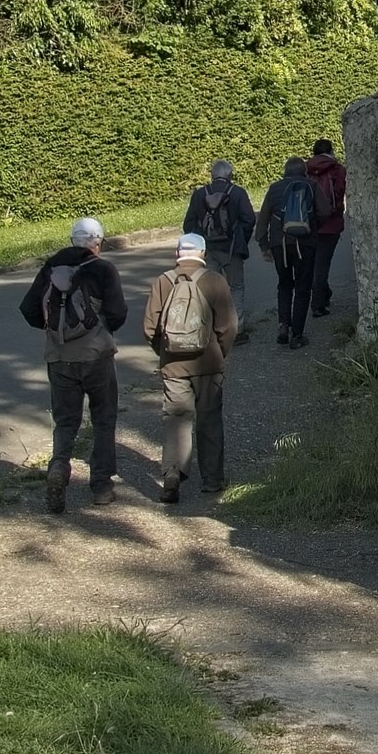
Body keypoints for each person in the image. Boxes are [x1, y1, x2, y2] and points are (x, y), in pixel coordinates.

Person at [21, 216, 128, 513]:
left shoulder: (50, 268)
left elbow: (29, 309)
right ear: (97, 243)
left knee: (66, 421)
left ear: (72, 240)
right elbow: (118, 314)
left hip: (59, 358)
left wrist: (55, 332)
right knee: (103, 419)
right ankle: (102, 486)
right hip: (97, 357)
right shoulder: (103, 269)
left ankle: (58, 467)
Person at [138, 230, 240, 505]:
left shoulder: (164, 281)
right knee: (209, 420)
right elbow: (229, 326)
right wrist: (219, 353)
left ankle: (172, 473)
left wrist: (165, 353)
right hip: (209, 364)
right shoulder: (215, 280)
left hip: (173, 367)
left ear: (177, 254)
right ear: (203, 253)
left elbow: (149, 327)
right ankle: (212, 480)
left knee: (176, 419)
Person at [257, 155, 317, 349]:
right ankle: (297, 335)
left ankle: (283, 325)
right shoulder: (312, 186)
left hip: (279, 244)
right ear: (304, 171)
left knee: (284, 284)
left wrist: (264, 245)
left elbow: (263, 218)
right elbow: (324, 212)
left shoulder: (275, 188)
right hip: (305, 244)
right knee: (303, 287)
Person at [184, 160, 257, 305]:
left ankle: (212, 324)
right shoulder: (238, 193)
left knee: (210, 290)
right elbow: (249, 220)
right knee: (236, 287)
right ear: (230, 175)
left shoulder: (199, 194)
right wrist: (241, 240)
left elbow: (188, 224)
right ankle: (237, 325)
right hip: (232, 248)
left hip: (208, 249)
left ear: (212, 175)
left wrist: (199, 244)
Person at [302, 135, 350, 326]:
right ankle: (318, 304)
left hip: (309, 223)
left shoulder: (305, 169)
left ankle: (324, 293)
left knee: (314, 261)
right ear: (331, 151)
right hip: (331, 223)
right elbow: (340, 193)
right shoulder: (338, 170)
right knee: (322, 264)